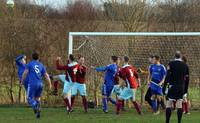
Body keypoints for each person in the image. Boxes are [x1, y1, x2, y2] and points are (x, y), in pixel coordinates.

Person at [21, 52, 52, 118]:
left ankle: (36, 106)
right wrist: (50, 84)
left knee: (29, 99)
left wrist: (22, 81)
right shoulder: (41, 65)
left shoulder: (29, 64)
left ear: (32, 57)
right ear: (39, 57)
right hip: (40, 84)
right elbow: (46, 75)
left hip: (32, 84)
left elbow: (25, 73)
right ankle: (38, 113)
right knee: (37, 98)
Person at [165, 51, 188, 123]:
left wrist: (166, 87)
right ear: (180, 57)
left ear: (174, 56)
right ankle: (179, 121)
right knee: (179, 104)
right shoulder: (185, 65)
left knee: (169, 104)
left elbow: (167, 77)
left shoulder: (170, 64)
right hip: (181, 87)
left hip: (172, 86)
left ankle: (167, 121)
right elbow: (187, 79)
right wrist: (185, 91)